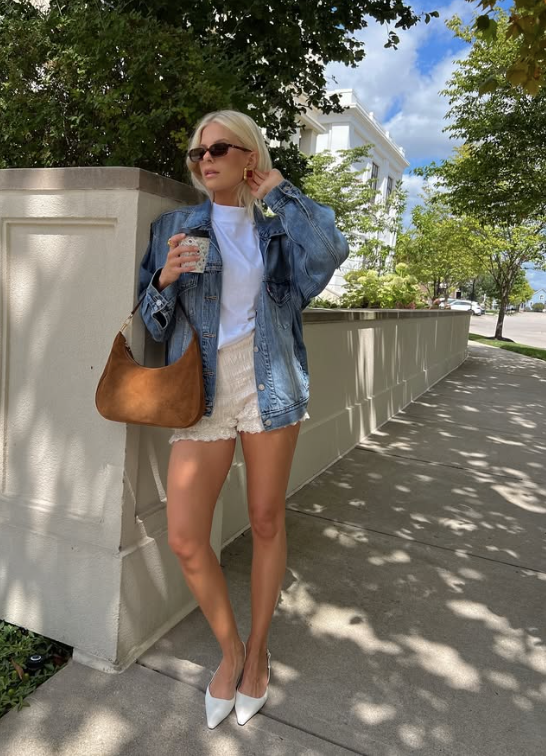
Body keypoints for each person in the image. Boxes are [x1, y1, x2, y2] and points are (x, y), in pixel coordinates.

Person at [137, 110, 349, 729]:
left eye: (220, 148)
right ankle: (229, 651)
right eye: (198, 152)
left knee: (263, 519)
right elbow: (152, 325)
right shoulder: (174, 227)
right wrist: (165, 279)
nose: (205, 159)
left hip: (268, 385)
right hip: (202, 389)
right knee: (184, 536)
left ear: (247, 154)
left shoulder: (280, 234)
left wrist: (278, 188)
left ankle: (258, 654)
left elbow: (332, 248)